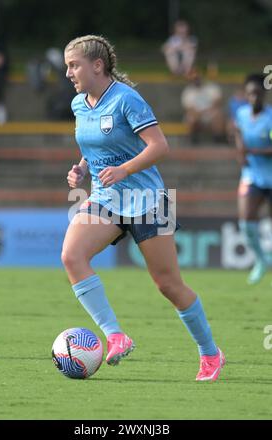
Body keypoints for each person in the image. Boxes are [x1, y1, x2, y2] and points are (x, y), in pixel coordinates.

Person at [62, 34, 225, 381]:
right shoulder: (79, 104)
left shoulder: (126, 99)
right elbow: (93, 146)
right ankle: (116, 336)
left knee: (169, 285)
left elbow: (159, 146)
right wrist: (82, 169)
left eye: (73, 65)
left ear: (97, 65)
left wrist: (124, 169)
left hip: (148, 201)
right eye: (67, 66)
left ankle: (210, 353)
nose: (68, 73)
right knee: (72, 256)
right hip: (107, 198)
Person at [235, 73, 272, 284]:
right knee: (246, 219)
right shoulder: (241, 114)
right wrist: (240, 150)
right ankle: (260, 260)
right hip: (252, 176)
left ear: (264, 94)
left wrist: (253, 151)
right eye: (250, 94)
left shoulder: (270, 118)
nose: (254, 98)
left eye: (257, 93)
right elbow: (238, 134)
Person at [181, 68, 226, 144]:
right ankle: (193, 142)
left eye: (197, 77)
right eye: (194, 78)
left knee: (218, 115)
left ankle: (219, 141)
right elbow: (189, 109)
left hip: (211, 113)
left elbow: (218, 102)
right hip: (197, 115)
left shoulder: (211, 87)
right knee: (191, 118)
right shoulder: (188, 92)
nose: (196, 79)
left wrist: (208, 111)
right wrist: (200, 113)